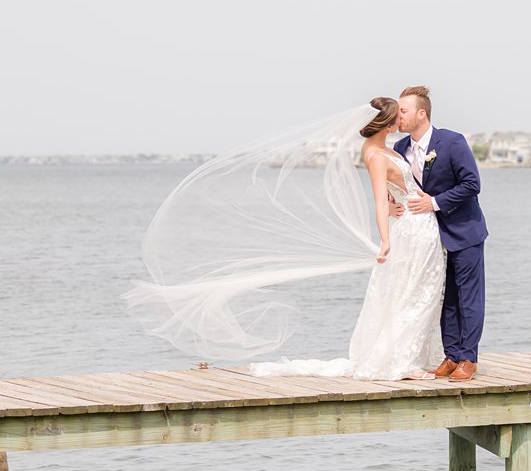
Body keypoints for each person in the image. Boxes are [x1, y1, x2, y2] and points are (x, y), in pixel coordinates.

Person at [125, 96, 453, 381]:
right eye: (396, 116)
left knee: (419, 290)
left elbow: (395, 193)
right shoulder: (375, 154)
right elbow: (379, 199)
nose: (400, 120)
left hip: (418, 223)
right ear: (384, 121)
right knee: (412, 293)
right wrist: (384, 239)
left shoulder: (384, 148)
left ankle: (409, 356)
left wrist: (401, 201)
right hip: (409, 230)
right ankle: (403, 361)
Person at [393, 85, 488, 381]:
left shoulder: (452, 142)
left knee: (468, 297)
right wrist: (390, 203)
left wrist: (434, 202)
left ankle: (468, 358)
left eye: (403, 111)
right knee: (443, 297)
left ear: (422, 113)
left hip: (464, 231)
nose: (398, 116)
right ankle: (451, 354)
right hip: (427, 238)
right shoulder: (399, 149)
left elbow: (472, 184)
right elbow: (399, 186)